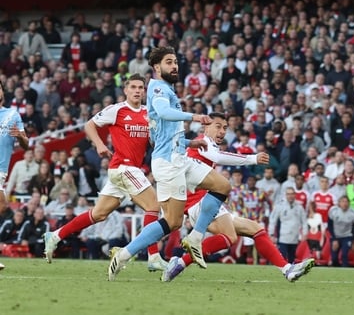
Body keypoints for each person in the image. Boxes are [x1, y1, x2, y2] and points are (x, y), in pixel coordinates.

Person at [108, 47, 231, 281]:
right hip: (168, 164)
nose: (174, 66)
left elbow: (162, 134)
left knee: (223, 186)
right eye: (168, 62)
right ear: (157, 67)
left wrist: (190, 142)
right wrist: (193, 117)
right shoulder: (156, 86)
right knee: (172, 222)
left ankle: (195, 238)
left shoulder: (168, 89)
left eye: (175, 62)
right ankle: (124, 254)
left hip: (179, 157)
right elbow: (164, 113)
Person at [162, 113, 314, 282]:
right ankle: (179, 262)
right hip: (199, 203)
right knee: (230, 237)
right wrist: (252, 158)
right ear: (206, 127)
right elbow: (219, 157)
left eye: (225, 128)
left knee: (254, 228)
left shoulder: (207, 144)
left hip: (204, 201)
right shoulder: (202, 143)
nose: (222, 131)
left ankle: (287, 269)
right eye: (218, 126)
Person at [44, 74, 168, 271]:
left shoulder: (147, 113)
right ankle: (153, 257)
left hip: (128, 171)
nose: (137, 90)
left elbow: (152, 141)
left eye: (140, 88)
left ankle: (55, 235)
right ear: (125, 90)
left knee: (99, 214)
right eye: (133, 87)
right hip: (123, 167)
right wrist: (100, 144)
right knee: (153, 206)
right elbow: (89, 125)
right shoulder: (117, 110)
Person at [0, 79, 30, 218]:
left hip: (2, 168)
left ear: (3, 92)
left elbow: (26, 145)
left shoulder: (13, 114)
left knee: (2, 206)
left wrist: (19, 136)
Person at [328, 195, 354, 267]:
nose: (345, 203)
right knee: (334, 258)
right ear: (339, 203)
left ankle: (346, 272)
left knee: (344, 254)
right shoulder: (333, 211)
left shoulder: (353, 213)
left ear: (349, 203)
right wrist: (334, 239)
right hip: (336, 236)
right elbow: (330, 226)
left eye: (346, 202)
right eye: (343, 201)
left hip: (347, 236)